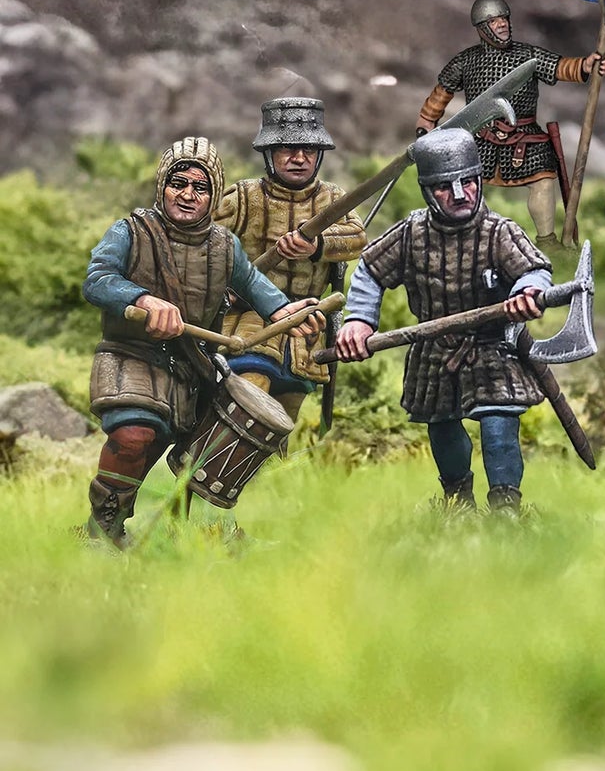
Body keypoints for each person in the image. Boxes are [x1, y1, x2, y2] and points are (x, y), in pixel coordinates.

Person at [82, 137, 299, 544]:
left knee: (194, 452)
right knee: (132, 437)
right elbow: (98, 280)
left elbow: (253, 283)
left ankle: (182, 535)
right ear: (163, 185)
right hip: (132, 355)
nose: (187, 195)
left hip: (192, 367)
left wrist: (284, 311)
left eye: (200, 187)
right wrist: (142, 299)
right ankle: (102, 529)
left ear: (213, 195)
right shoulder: (131, 231)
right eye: (178, 183)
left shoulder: (224, 246)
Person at [335, 128, 551, 512]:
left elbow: (534, 270)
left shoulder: (499, 232)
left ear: (479, 180)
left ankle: (506, 508)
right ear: (427, 191)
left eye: (467, 182)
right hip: (433, 350)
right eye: (444, 187)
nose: (459, 194)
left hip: (492, 347)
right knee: (443, 430)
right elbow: (369, 270)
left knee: (499, 426)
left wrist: (527, 293)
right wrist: (359, 319)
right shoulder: (411, 233)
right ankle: (457, 504)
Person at [215, 96, 367, 421]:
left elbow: (357, 238)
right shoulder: (242, 197)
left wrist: (318, 245)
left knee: (285, 415)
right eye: (287, 148)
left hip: (305, 328)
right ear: (270, 152)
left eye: (308, 149)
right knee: (248, 400)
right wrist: (223, 286)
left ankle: (275, 458)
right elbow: (207, 244)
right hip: (250, 321)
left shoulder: (333, 199)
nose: (299, 158)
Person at [416, 0, 605, 243]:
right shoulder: (466, 61)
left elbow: (559, 67)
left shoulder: (528, 55)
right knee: (464, 184)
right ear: (482, 28)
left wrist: (585, 66)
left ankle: (547, 242)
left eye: (504, 18)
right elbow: (442, 91)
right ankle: (467, 238)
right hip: (479, 138)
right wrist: (427, 122)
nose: (502, 24)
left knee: (543, 179)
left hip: (524, 137)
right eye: (494, 21)